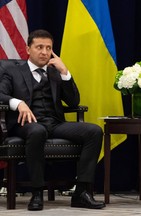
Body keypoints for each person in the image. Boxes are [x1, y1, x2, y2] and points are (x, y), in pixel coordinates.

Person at [0, 29, 105, 211]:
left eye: (48, 48)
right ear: (28, 49)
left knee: (94, 131)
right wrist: (18, 103)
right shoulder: (13, 71)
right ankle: (37, 192)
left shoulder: (55, 73)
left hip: (54, 123)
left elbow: (73, 102)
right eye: (39, 47)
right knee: (37, 131)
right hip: (25, 124)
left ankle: (81, 192)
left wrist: (65, 72)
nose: (44, 52)